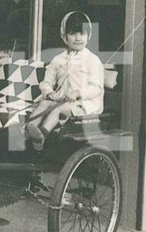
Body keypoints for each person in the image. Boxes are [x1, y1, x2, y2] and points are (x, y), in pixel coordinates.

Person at [26, 11, 104, 150]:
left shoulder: (92, 60)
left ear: (88, 35)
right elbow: (46, 82)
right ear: (64, 35)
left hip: (84, 104)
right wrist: (49, 92)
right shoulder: (58, 59)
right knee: (44, 103)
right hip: (63, 98)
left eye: (83, 33)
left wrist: (78, 93)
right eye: (73, 33)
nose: (78, 38)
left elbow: (96, 88)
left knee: (59, 110)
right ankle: (29, 129)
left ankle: (41, 136)